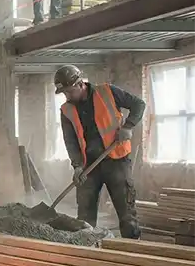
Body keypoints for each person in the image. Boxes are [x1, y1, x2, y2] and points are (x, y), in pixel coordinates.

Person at [56, 64, 146, 239]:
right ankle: (86, 254)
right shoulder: (66, 110)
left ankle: (133, 252)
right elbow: (71, 141)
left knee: (126, 213)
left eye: (69, 91)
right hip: (88, 166)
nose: (67, 96)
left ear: (80, 84)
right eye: (64, 93)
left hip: (117, 161)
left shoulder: (107, 92)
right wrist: (77, 166)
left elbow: (138, 104)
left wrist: (128, 126)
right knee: (84, 217)